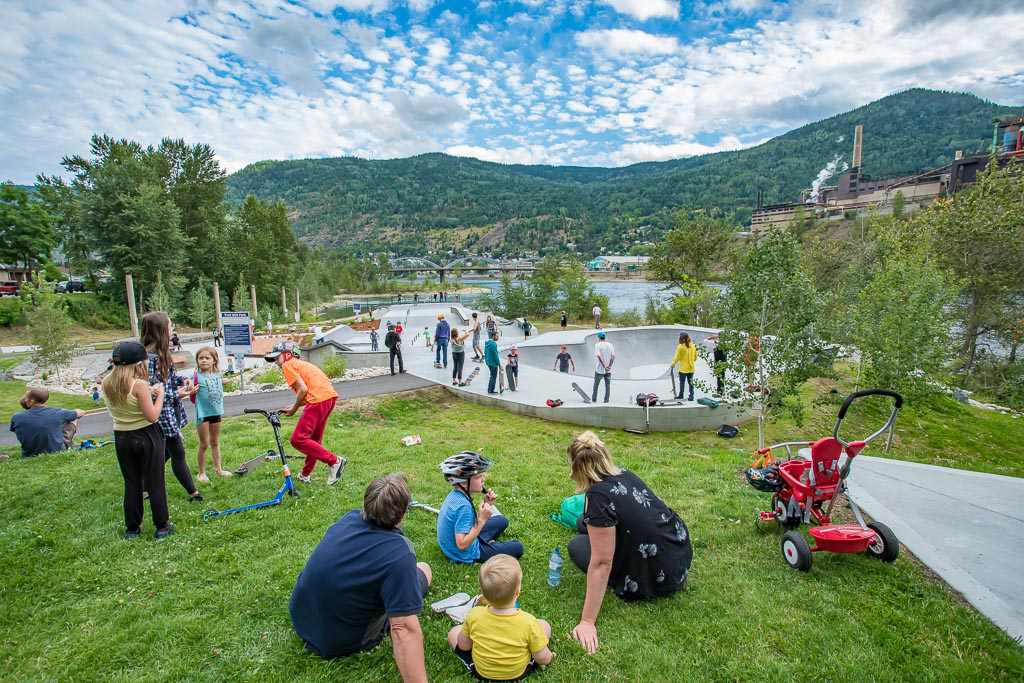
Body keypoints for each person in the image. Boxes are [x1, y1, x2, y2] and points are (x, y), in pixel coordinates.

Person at [289, 473, 432, 681]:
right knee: (424, 569)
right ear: (401, 516)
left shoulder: (349, 518)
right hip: (341, 640)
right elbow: (403, 629)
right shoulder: (400, 553)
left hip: (302, 617)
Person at [565, 431, 692, 653]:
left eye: (571, 466)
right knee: (581, 522)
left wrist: (587, 622)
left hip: (659, 574)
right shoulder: (624, 474)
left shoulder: (598, 499)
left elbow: (602, 563)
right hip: (677, 554)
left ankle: (629, 574)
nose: (569, 473)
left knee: (576, 546)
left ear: (580, 469)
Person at [102, 341, 172, 540]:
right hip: (146, 434)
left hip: (122, 436)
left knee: (132, 482)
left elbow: (125, 404)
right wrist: (160, 395)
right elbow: (152, 416)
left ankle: (132, 529)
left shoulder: (107, 382)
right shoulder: (139, 384)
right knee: (154, 481)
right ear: (137, 363)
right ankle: (162, 526)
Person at [447, 555, 553, 681]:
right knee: (544, 625)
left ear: (483, 593)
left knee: (453, 633)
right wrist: (549, 656)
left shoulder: (474, 615)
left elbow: (464, 646)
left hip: (482, 672)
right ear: (517, 592)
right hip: (518, 673)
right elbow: (542, 658)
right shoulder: (529, 622)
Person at [141, 311, 203, 504]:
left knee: (165, 452)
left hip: (170, 411)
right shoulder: (148, 358)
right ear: (160, 329)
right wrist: (179, 394)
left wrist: (181, 379)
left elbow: (166, 379)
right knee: (178, 452)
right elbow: (149, 391)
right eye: (169, 325)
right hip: (161, 414)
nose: (172, 328)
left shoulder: (162, 352)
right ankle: (194, 494)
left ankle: (143, 487)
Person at [265, 340, 346, 485]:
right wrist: (295, 405)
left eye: (277, 357)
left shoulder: (288, 365)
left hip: (317, 401)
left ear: (288, 355)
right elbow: (310, 390)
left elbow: (303, 390)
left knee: (298, 439)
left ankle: (334, 461)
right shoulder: (303, 364)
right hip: (329, 398)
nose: (276, 362)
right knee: (314, 441)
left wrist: (295, 409)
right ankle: (305, 474)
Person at [437, 451, 523, 563]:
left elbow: (466, 523)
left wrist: (487, 504)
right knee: (518, 547)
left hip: (454, 544)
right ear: (463, 482)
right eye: (478, 477)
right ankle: (488, 544)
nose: (483, 480)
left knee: (502, 521)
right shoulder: (463, 507)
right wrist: (482, 520)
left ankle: (486, 541)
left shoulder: (456, 496)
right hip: (466, 553)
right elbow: (462, 545)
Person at [9, 387, 85, 458]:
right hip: (56, 451)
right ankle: (67, 445)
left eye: (26, 398)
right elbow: (81, 412)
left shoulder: (16, 417)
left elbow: (15, 431)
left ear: (32, 401)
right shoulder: (58, 412)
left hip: (29, 454)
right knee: (73, 418)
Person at [190, 346, 229, 482]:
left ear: (214, 360)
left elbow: (215, 387)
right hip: (203, 414)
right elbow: (187, 387)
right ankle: (201, 473)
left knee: (214, 442)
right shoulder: (195, 376)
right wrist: (190, 389)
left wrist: (223, 382)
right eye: (201, 358)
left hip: (216, 412)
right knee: (204, 443)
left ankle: (218, 469)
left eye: (207, 358)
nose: (204, 361)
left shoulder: (218, 375)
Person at [669, 332, 697, 401]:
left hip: (683, 368)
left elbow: (677, 357)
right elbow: (696, 357)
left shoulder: (680, 346)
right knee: (691, 383)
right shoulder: (693, 345)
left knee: (682, 382)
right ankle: (691, 396)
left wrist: (673, 364)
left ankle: (681, 395)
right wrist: (691, 361)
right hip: (691, 368)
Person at [591, 331, 614, 404]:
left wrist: (604, 366)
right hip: (608, 371)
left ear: (598, 338)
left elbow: (599, 356)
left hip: (599, 370)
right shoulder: (610, 345)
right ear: (604, 337)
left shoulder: (597, 345)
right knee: (608, 386)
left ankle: (594, 400)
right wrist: (609, 366)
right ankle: (606, 401)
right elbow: (613, 356)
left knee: (596, 385)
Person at [484, 331, 502, 395]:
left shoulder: (487, 343)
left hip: (489, 362)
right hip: (493, 363)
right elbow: (495, 355)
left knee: (492, 376)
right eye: (497, 336)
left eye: (498, 336)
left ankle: (489, 389)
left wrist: (486, 360)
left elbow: (485, 352)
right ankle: (491, 390)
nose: (498, 338)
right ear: (493, 336)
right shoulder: (493, 344)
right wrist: (499, 364)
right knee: (493, 376)